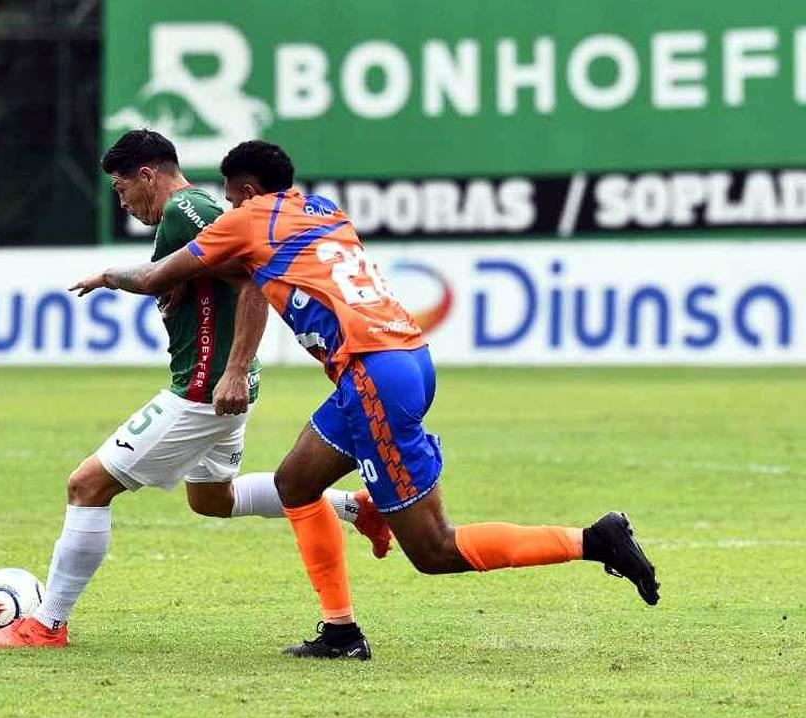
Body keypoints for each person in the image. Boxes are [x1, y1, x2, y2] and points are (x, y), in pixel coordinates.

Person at [71, 140, 661, 660]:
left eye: (232, 197)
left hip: (373, 376)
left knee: (433, 549)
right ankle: (340, 631)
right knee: (295, 483)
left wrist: (107, 276)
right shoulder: (324, 209)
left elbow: (154, 277)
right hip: (406, 359)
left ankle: (592, 540)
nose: (229, 207)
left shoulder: (247, 219)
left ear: (246, 192)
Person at [0, 131, 392, 651]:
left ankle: (46, 624)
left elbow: (255, 277)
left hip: (204, 390)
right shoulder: (191, 215)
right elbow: (192, 273)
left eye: (122, 189)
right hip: (221, 388)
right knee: (213, 499)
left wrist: (233, 369)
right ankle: (357, 507)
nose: (123, 202)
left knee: (87, 486)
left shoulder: (185, 210)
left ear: (148, 175)